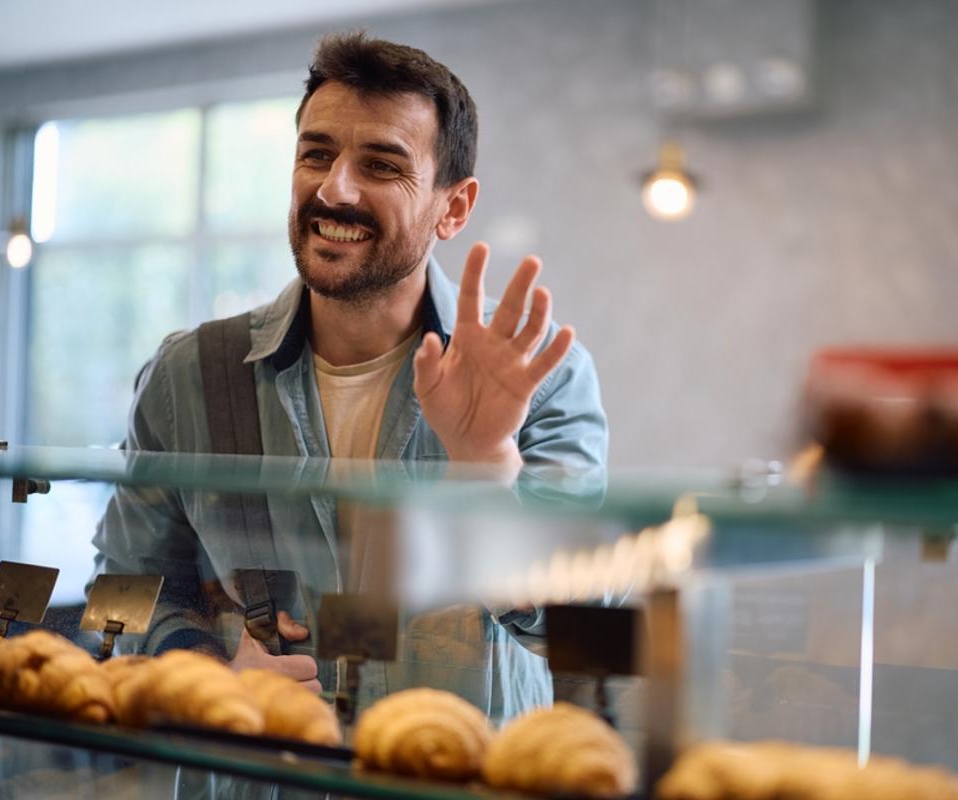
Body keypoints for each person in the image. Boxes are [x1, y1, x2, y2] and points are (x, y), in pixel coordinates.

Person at [92, 31, 607, 722]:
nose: (334, 188)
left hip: (457, 768)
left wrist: (487, 467)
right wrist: (205, 668)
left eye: (382, 165)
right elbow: (118, 595)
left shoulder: (540, 374)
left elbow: (583, 629)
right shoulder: (186, 375)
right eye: (316, 154)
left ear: (453, 208)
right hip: (260, 765)